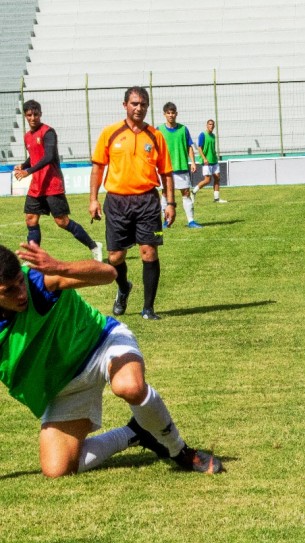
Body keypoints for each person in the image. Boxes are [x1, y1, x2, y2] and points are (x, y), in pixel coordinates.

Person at [0, 243, 222, 476]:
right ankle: (136, 432)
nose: (21, 293)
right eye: (9, 290)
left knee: (129, 387)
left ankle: (179, 451)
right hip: (65, 385)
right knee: (58, 470)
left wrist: (60, 267)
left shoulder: (38, 282)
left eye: (19, 282)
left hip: (102, 343)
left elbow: (108, 274)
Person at [89, 86, 174, 322]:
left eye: (143, 104)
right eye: (135, 103)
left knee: (149, 251)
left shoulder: (155, 136)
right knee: (115, 257)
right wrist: (93, 199)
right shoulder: (110, 133)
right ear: (125, 105)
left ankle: (148, 308)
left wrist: (170, 203)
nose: (139, 108)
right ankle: (124, 287)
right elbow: (98, 167)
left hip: (148, 202)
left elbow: (166, 172)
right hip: (116, 202)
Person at [13, 100, 102, 261]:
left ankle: (94, 245)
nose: (33, 118)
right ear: (25, 116)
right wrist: (24, 164)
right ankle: (34, 258)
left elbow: (48, 156)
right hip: (36, 186)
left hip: (52, 185)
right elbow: (34, 155)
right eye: (29, 115)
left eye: (35, 114)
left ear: (40, 114)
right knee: (31, 218)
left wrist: (28, 171)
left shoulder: (48, 132)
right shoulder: (27, 136)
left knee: (62, 222)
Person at [159, 102, 206, 228]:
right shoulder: (159, 130)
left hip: (182, 167)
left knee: (185, 193)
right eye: (168, 113)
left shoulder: (183, 129)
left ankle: (191, 221)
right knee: (164, 194)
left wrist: (193, 162)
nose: (171, 115)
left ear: (176, 114)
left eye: (173, 112)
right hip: (166, 169)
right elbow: (155, 149)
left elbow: (189, 146)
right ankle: (165, 221)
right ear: (164, 114)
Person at [192, 119, 227, 203]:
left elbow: (213, 148)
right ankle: (193, 192)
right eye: (210, 124)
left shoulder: (213, 136)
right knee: (207, 180)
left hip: (214, 160)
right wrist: (204, 158)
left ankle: (216, 198)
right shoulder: (202, 135)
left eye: (212, 125)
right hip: (206, 161)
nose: (211, 126)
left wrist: (215, 156)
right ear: (207, 125)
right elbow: (199, 148)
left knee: (217, 178)